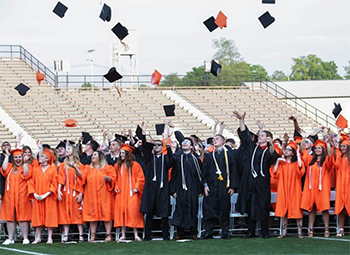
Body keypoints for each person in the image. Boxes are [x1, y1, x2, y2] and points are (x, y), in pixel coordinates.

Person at [233, 111, 279, 239]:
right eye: (259, 135)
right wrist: (242, 120)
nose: (259, 136)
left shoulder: (269, 151)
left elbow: (273, 158)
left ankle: (264, 231)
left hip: (262, 182)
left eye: (262, 135)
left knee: (263, 206)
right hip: (250, 182)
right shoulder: (252, 148)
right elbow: (244, 136)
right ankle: (250, 231)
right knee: (250, 206)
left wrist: (271, 144)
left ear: (268, 138)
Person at [202, 134, 239, 239]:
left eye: (217, 139)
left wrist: (232, 187)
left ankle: (225, 231)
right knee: (209, 209)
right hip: (211, 186)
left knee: (224, 208)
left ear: (223, 141)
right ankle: (209, 231)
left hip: (224, 186)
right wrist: (205, 185)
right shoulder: (209, 156)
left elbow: (234, 171)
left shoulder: (230, 155)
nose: (214, 141)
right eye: (213, 139)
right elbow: (204, 171)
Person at [170, 137, 203, 240]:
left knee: (193, 209)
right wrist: (173, 190)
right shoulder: (177, 159)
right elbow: (174, 175)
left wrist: (200, 190)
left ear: (191, 146)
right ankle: (180, 232)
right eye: (183, 142)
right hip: (180, 188)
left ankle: (193, 232)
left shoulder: (196, 159)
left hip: (193, 189)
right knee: (180, 209)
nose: (184, 143)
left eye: (187, 142)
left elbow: (199, 175)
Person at [140, 138, 172, 241]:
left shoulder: (165, 158)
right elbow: (145, 149)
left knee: (164, 212)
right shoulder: (150, 157)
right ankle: (147, 235)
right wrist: (144, 136)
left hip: (163, 187)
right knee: (149, 212)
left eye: (159, 145)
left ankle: (165, 235)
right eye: (155, 145)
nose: (157, 146)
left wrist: (168, 146)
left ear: (162, 147)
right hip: (151, 188)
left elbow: (172, 162)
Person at [80, 150, 115, 242]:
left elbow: (113, 179)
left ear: (100, 157)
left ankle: (108, 235)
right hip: (91, 195)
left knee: (107, 214)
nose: (92, 156)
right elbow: (82, 178)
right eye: (92, 155)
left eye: (95, 154)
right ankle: (93, 235)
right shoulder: (87, 168)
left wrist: (109, 179)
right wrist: (76, 169)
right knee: (92, 215)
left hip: (105, 195)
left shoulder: (108, 168)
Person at [300, 139, 332, 238]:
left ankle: (326, 230)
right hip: (310, 188)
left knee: (324, 209)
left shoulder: (326, 161)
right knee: (311, 209)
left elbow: (330, 155)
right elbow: (302, 150)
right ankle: (311, 230)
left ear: (323, 150)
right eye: (316, 148)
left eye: (320, 148)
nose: (317, 149)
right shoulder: (310, 160)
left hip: (322, 189)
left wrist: (327, 143)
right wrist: (303, 138)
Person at [273, 140, 305, 238]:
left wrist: (299, 153)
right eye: (286, 149)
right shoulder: (282, 164)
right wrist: (278, 161)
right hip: (283, 189)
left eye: (289, 150)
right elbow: (274, 172)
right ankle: (284, 232)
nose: (286, 151)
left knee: (297, 210)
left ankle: (300, 232)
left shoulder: (295, 163)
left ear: (292, 152)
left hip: (294, 189)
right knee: (284, 211)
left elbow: (300, 167)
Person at [114, 144, 145, 242]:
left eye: (123, 153)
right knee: (122, 212)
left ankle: (136, 234)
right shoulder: (117, 166)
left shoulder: (136, 165)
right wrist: (116, 187)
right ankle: (123, 235)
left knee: (133, 212)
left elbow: (141, 178)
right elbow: (115, 179)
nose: (121, 155)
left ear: (128, 154)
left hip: (132, 192)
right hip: (121, 193)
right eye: (121, 153)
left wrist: (137, 187)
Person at [0, 149, 32, 245]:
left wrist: (25, 162)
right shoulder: (10, 167)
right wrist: (7, 155)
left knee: (23, 217)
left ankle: (25, 237)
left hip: (22, 195)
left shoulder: (27, 166)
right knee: (10, 217)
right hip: (9, 196)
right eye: (15, 157)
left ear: (22, 158)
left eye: (19, 157)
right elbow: (4, 169)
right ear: (13, 159)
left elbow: (26, 174)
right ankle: (10, 238)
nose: (18, 159)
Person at [28, 148, 58, 244]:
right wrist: (35, 193)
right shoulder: (36, 169)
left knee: (49, 215)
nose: (39, 158)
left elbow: (54, 183)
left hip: (48, 195)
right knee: (37, 216)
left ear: (47, 158)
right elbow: (31, 183)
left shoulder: (53, 169)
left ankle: (49, 237)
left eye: (41, 156)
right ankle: (38, 237)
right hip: (38, 195)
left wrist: (46, 194)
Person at [57, 144, 85, 243]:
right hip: (65, 192)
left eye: (68, 149)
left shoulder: (80, 165)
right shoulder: (62, 165)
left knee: (77, 213)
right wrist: (59, 190)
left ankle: (81, 235)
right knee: (65, 212)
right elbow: (60, 177)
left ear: (73, 151)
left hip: (75, 192)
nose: (66, 150)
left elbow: (82, 179)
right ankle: (66, 235)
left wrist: (81, 193)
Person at [333, 138, 350, 237]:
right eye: (341, 146)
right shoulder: (340, 158)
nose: (343, 148)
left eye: (344, 146)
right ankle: (341, 230)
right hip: (340, 185)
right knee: (341, 209)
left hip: (348, 186)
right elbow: (336, 165)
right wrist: (337, 151)